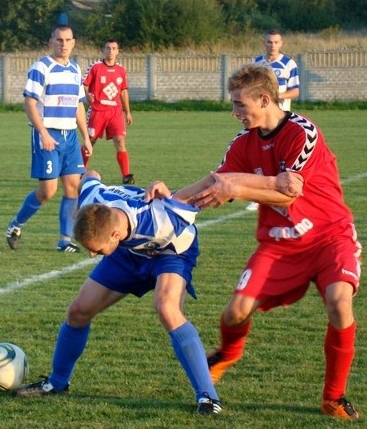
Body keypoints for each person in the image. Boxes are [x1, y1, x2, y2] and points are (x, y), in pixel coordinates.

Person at [175, 64, 362, 420]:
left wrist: (235, 188)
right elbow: (214, 180)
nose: (234, 113)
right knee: (235, 312)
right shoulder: (243, 144)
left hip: (329, 237)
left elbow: (288, 192)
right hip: (279, 245)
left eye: (239, 105)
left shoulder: (301, 132)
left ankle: (333, 397)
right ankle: (229, 353)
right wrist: (168, 198)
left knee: (340, 302)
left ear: (264, 99)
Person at [15, 170, 223, 415]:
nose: (92, 254)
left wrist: (169, 192)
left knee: (167, 309)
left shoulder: (157, 218)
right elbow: (90, 176)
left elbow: (202, 188)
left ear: (113, 235)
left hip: (170, 253)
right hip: (127, 252)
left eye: (96, 249)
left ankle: (208, 398)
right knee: (78, 311)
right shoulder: (91, 199)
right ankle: (56, 383)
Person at [5, 25, 93, 253]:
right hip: (48, 135)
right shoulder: (41, 67)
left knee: (73, 188)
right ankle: (16, 225)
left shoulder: (75, 69)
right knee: (47, 192)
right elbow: (29, 103)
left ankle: (65, 240)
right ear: (51, 42)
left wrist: (86, 137)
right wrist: (43, 132)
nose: (63, 44)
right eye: (59, 40)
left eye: (67, 40)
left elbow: (78, 106)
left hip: (70, 137)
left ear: (74, 43)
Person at [246, 29, 300, 211]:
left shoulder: (288, 64)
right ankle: (258, 196)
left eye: (276, 42)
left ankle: (282, 191)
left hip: (280, 118)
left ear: (281, 43)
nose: (272, 45)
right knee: (258, 154)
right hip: (260, 116)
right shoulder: (257, 63)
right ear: (264, 42)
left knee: (279, 154)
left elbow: (295, 91)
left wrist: (275, 96)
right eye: (269, 42)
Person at [82, 39, 134, 184]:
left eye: (113, 48)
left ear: (118, 51)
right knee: (90, 142)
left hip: (115, 112)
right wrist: (87, 94)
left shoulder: (121, 70)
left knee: (120, 140)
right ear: (103, 50)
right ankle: (80, 172)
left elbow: (123, 91)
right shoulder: (95, 67)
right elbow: (84, 84)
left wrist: (127, 111)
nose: (110, 51)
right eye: (108, 48)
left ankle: (126, 175)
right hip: (97, 111)